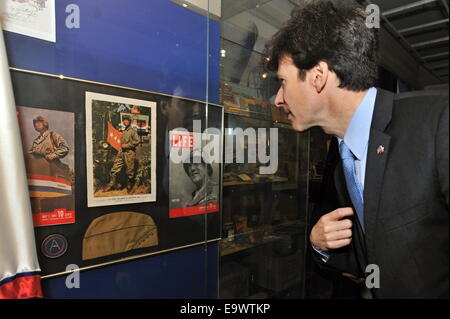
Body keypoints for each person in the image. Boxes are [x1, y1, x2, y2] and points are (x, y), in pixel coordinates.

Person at [266, 0, 448, 298]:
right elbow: (377, 257)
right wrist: (319, 245)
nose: (278, 99)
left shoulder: (439, 121)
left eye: (283, 83)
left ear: (318, 76)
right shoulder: (343, 160)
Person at [105, 115, 140, 193]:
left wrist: (127, 145)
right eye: (124, 120)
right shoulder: (124, 131)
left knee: (129, 171)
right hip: (121, 153)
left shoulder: (132, 131)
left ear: (129, 121)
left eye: (127, 120)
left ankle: (129, 186)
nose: (125, 121)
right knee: (114, 169)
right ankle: (111, 185)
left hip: (129, 153)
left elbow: (137, 141)